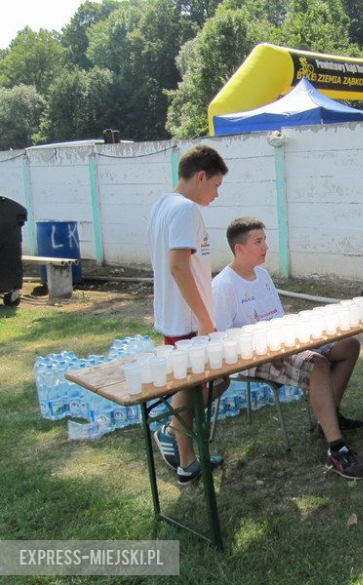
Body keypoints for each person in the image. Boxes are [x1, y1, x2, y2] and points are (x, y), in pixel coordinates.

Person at [211, 217, 363, 480]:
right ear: (239, 248)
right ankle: (336, 448)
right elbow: (221, 342)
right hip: (254, 356)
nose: (266, 247)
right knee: (317, 362)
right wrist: (270, 350)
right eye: (258, 242)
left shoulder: (261, 275)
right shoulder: (223, 286)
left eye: (265, 240)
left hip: (283, 343)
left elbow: (279, 319)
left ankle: (328, 418)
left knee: (349, 345)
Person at [147, 145, 230, 485]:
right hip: (187, 322)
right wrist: (205, 322)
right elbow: (179, 267)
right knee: (194, 388)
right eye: (216, 184)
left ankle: (178, 441)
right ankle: (183, 457)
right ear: (200, 177)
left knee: (212, 382)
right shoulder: (185, 210)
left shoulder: (162, 205)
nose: (216, 193)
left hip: (179, 318)